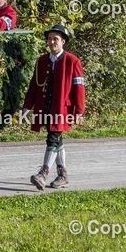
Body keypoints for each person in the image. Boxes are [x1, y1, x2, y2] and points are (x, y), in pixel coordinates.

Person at [23, 25, 85, 190]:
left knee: (53, 138)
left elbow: (79, 88)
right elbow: (34, 85)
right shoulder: (42, 60)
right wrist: (27, 106)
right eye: (49, 39)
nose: (51, 42)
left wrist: (79, 111)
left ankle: (43, 173)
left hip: (62, 108)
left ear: (63, 42)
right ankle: (62, 174)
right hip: (45, 106)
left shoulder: (73, 61)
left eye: (55, 39)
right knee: (57, 140)